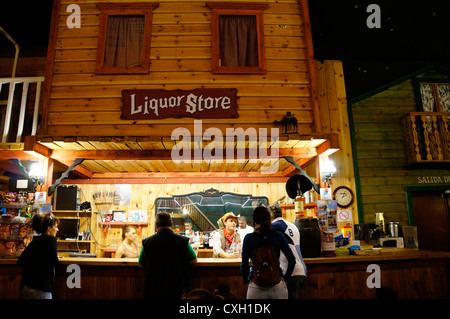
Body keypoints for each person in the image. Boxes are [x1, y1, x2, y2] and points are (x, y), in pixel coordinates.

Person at [139, 212, 197, 299]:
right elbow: (193, 260)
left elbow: (141, 263)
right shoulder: (183, 241)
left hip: (154, 287)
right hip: (177, 286)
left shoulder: (147, 242)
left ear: (156, 225)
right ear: (171, 224)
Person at [241, 206, 295, 299]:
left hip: (256, 288)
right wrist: (285, 278)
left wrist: (246, 280)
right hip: (277, 287)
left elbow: (244, 264)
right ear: (269, 219)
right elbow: (292, 260)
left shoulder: (249, 238)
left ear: (254, 221)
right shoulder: (278, 236)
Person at [17, 212, 60, 299]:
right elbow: (55, 262)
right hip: (41, 287)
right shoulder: (51, 239)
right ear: (49, 229)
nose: (57, 230)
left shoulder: (35, 241)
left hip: (27, 286)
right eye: (55, 227)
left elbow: (20, 260)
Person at [269, 203, 307, 299]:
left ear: (270, 216)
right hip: (302, 271)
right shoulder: (293, 226)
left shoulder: (273, 227)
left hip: (289, 272)